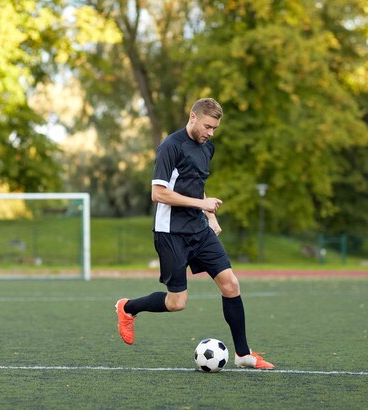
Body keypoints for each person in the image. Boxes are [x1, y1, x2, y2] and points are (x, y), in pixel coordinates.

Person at [115, 98, 274, 369]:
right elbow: (158, 193)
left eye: (215, 128)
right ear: (193, 117)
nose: (211, 133)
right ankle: (128, 308)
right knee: (177, 303)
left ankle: (244, 354)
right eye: (208, 126)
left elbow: (195, 184)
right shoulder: (170, 147)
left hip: (199, 230)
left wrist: (209, 216)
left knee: (231, 285)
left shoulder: (207, 147)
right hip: (171, 233)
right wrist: (203, 205)